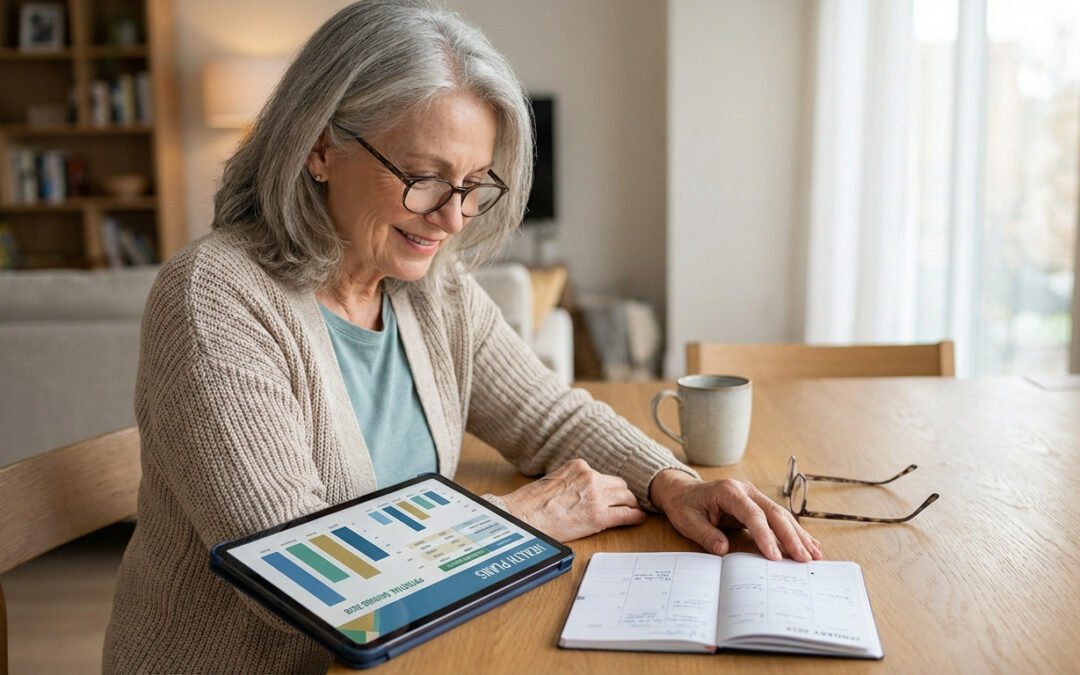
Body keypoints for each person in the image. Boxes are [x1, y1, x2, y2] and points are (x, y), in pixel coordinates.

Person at [102, 1, 822, 672]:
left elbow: (549, 416)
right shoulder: (215, 299)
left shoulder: (427, 284)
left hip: (414, 646)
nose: (452, 218)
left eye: (476, 183)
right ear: (319, 148)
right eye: (424, 177)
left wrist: (675, 483)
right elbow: (300, 581)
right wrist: (517, 519)